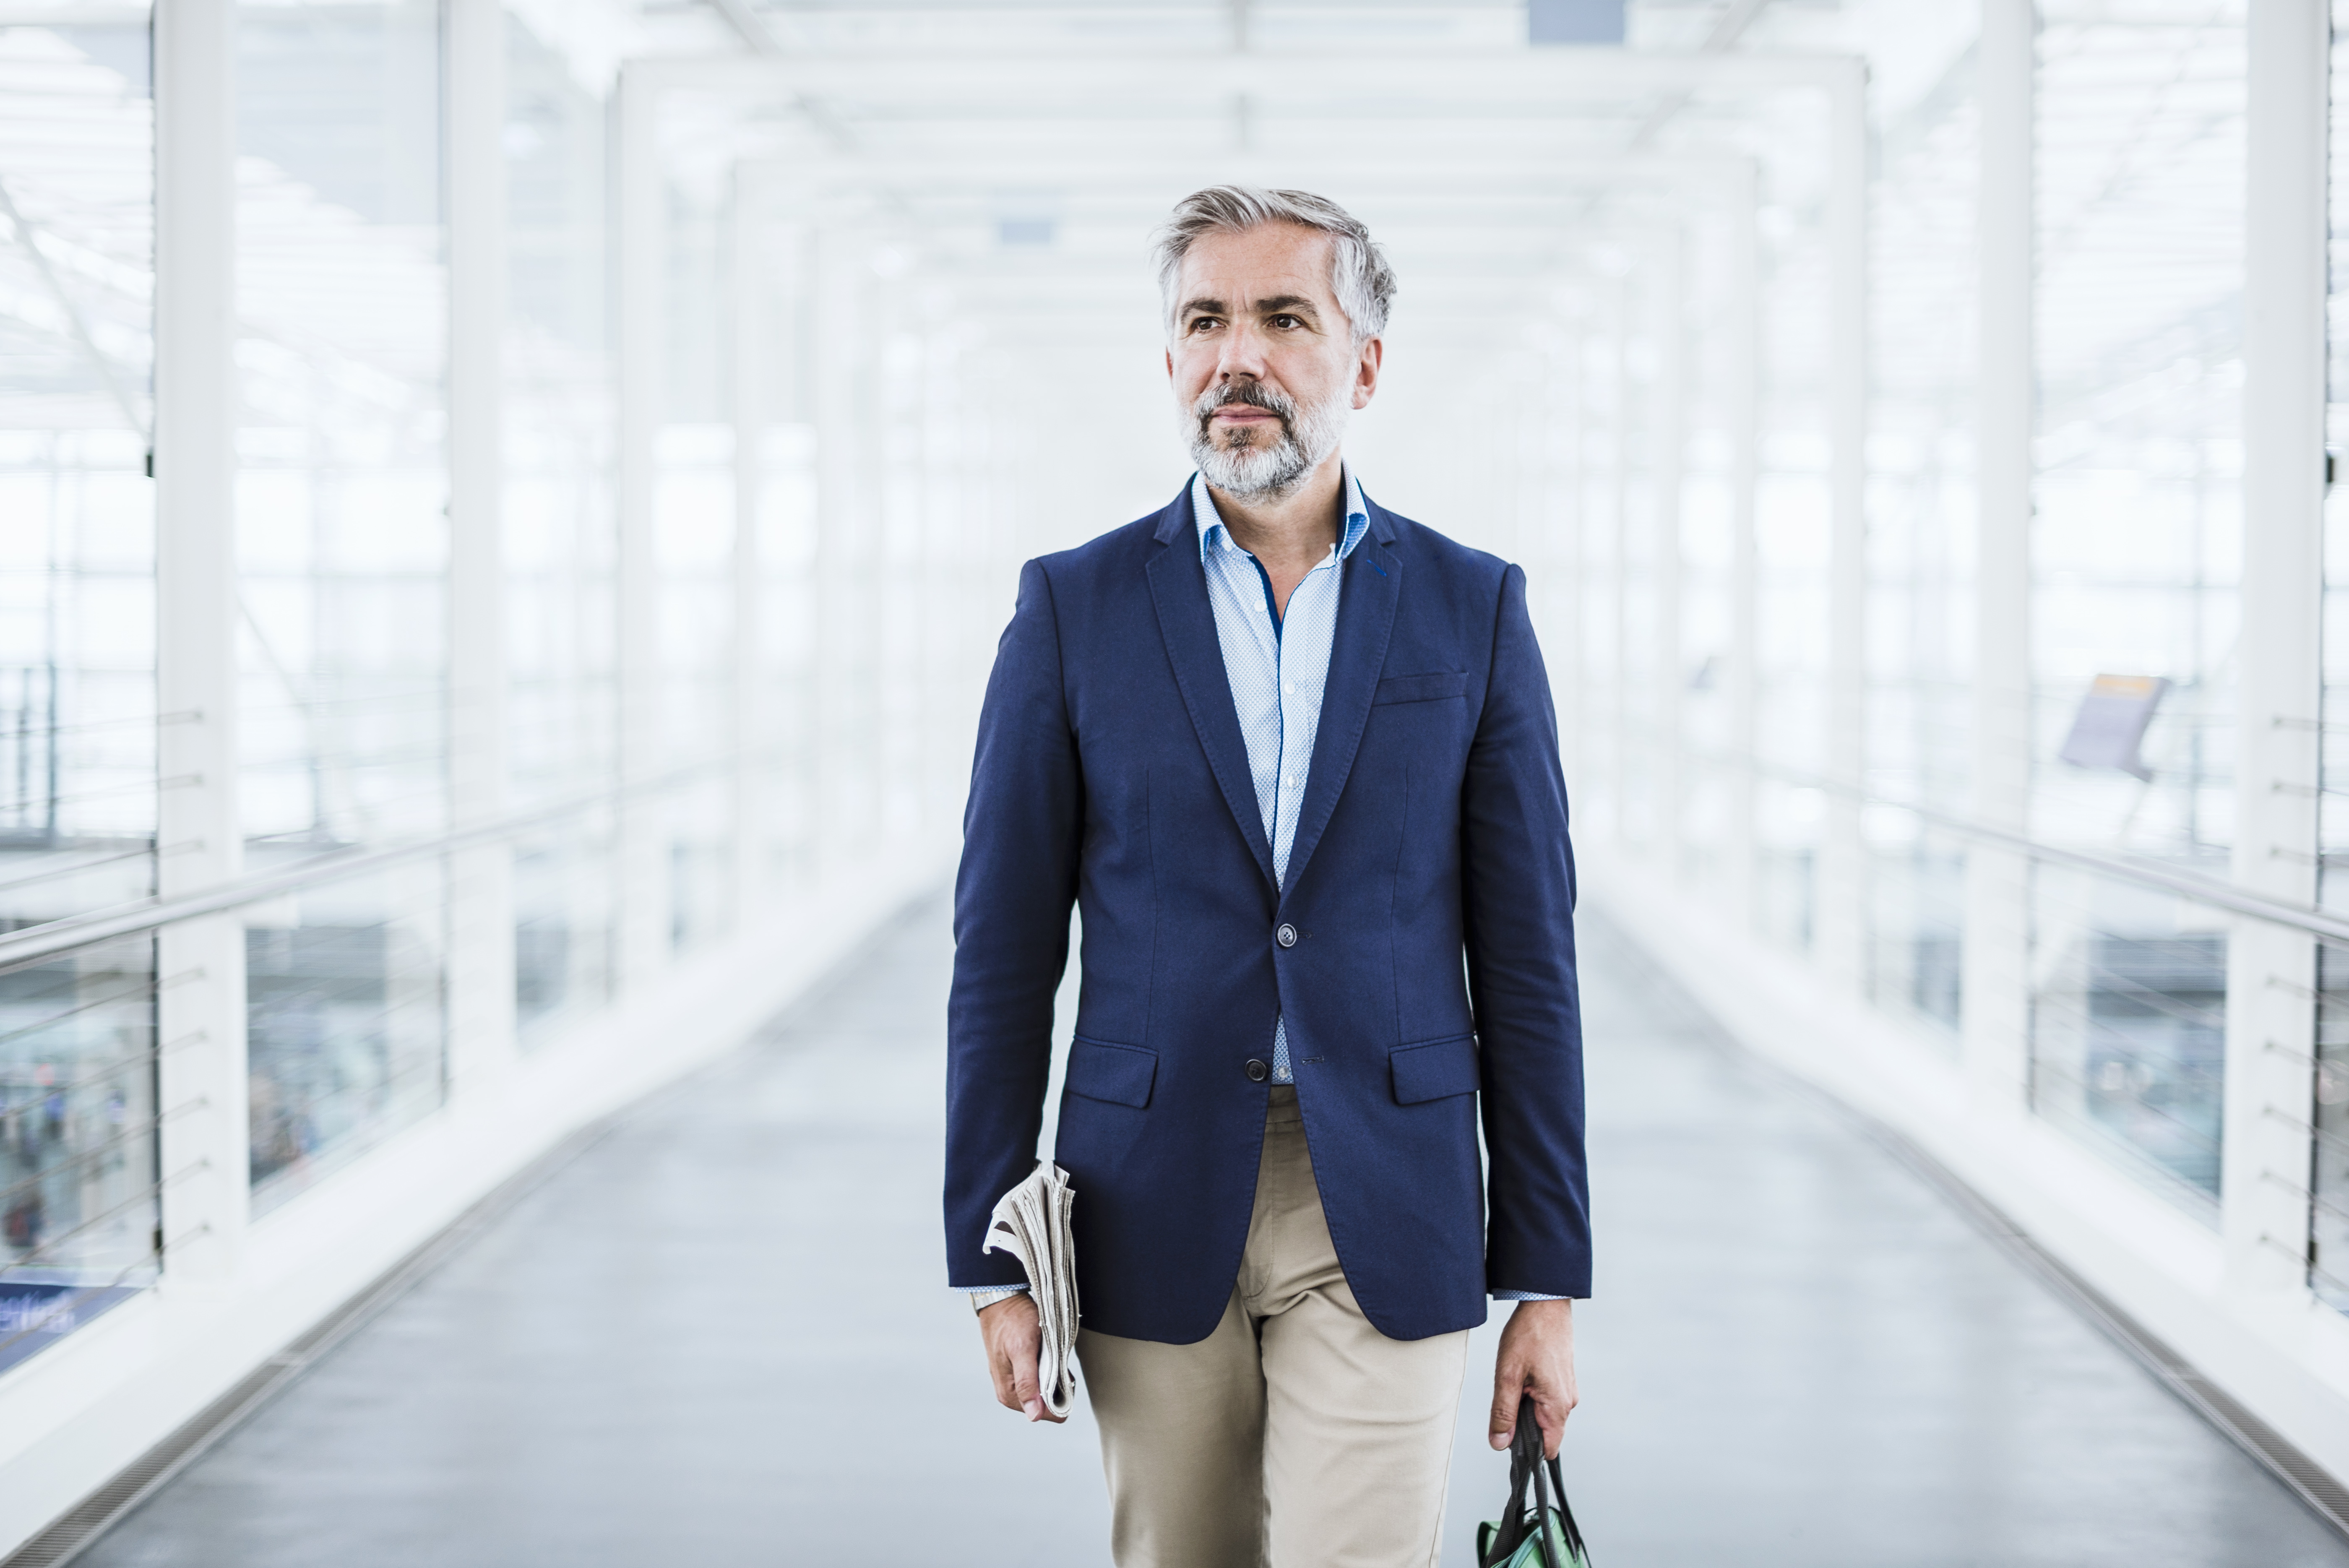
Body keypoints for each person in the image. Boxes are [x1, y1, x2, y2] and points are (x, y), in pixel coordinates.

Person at [943, 185, 1590, 1568]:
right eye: (1204, 320)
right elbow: (1001, 954)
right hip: (1143, 1187)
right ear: (1171, 358)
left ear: (1363, 362)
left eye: (1284, 317)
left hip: (1391, 1189)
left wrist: (1546, 1274)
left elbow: (1531, 958)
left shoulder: (1472, 608)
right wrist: (990, 1249)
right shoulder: (1073, 607)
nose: (1238, 356)